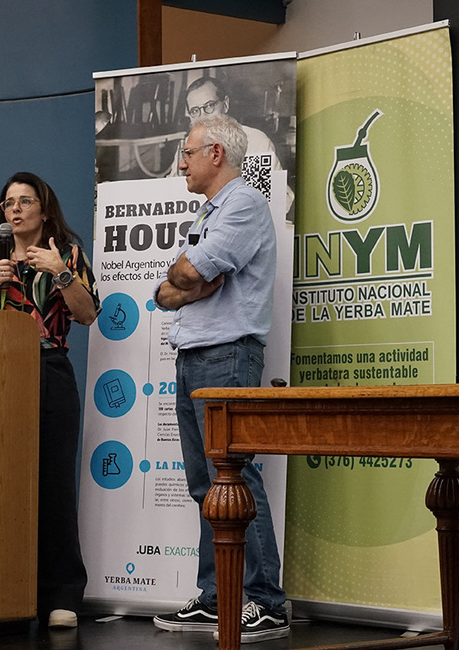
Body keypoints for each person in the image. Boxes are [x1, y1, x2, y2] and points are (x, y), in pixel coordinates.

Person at [151, 114, 290, 643]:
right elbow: (167, 291)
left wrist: (188, 279)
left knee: (234, 477)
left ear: (216, 154)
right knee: (206, 487)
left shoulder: (244, 204)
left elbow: (185, 274)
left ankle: (266, 601)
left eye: (187, 153)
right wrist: (189, 282)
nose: (181, 164)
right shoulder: (209, 212)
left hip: (227, 356)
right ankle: (217, 597)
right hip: (193, 355)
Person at [0, 171, 101, 628]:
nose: (15, 210)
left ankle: (62, 595)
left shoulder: (67, 254)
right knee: (0, 482)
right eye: (9, 203)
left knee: (54, 484)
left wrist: (59, 272)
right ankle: (3, 593)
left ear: (44, 209)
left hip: (48, 370)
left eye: (24, 201)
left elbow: (87, 314)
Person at [173, 77, 284, 173]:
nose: (203, 117)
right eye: (195, 111)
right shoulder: (186, 147)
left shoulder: (256, 142)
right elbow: (173, 187)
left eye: (209, 105)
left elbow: (277, 190)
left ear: (225, 104)